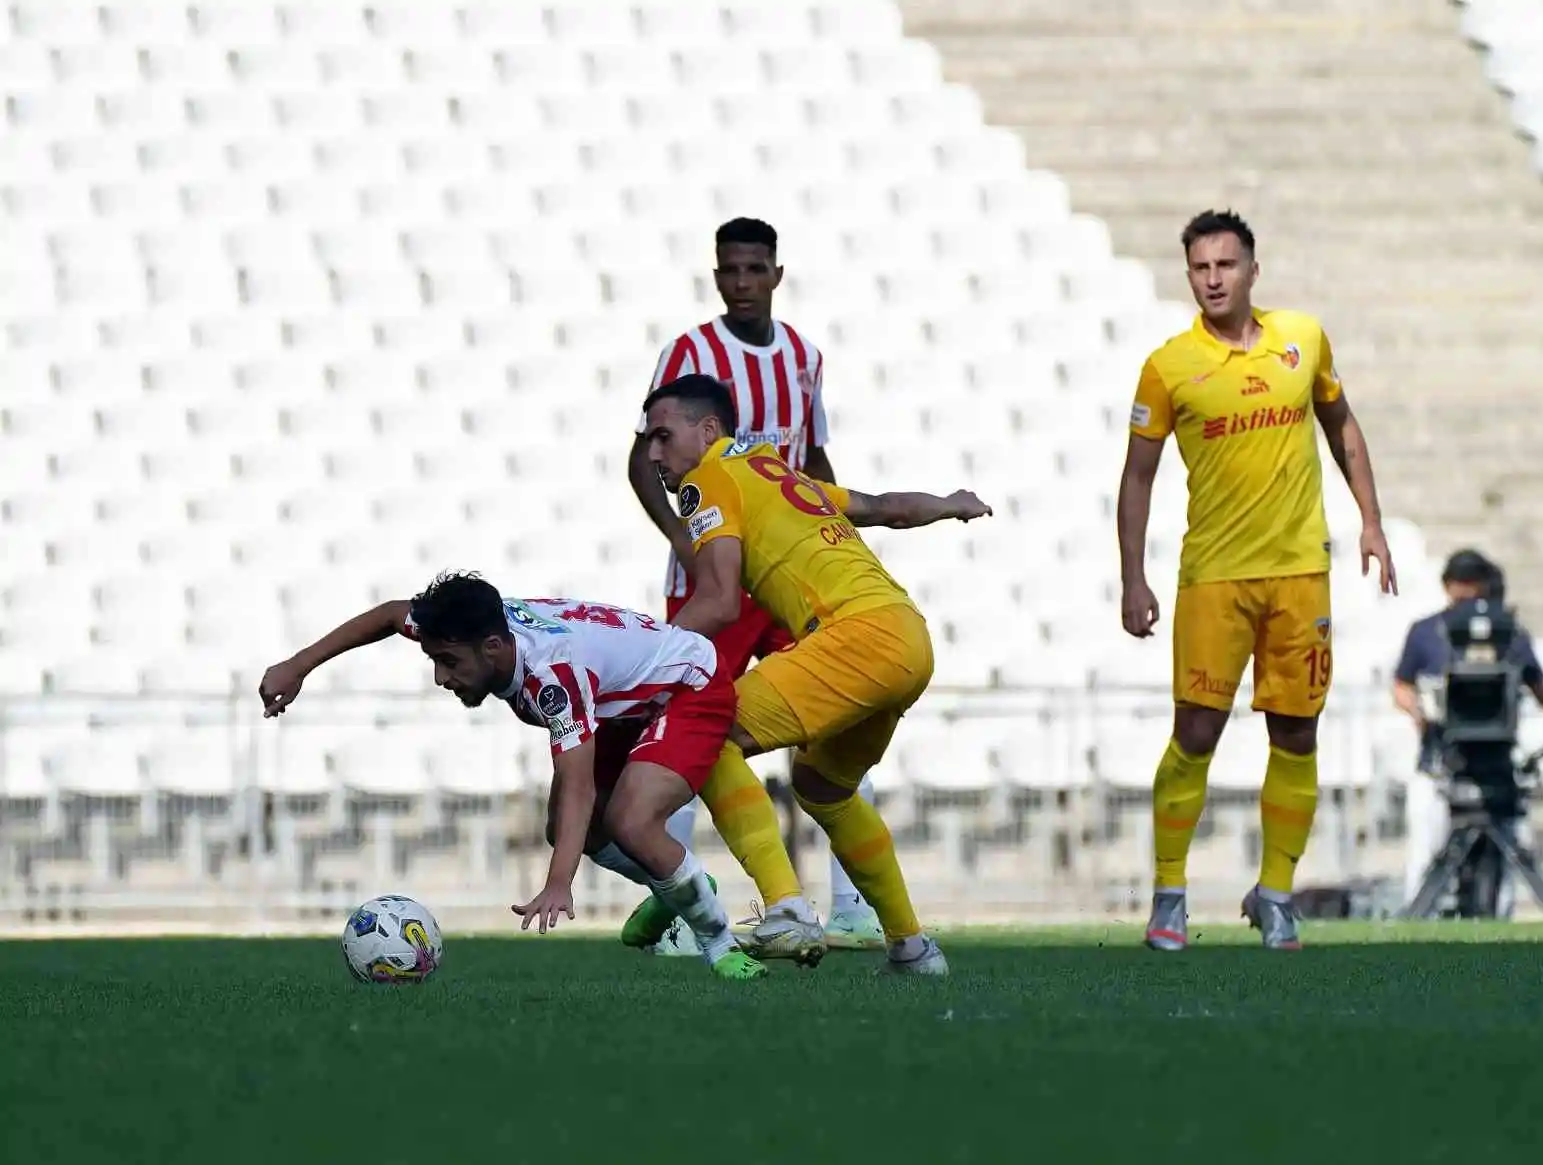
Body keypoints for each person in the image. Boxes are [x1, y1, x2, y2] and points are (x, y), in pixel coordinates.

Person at [256, 573, 832, 980]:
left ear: (492, 647)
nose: (439, 676)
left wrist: (560, 884)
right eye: (434, 658)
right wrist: (297, 665)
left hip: (691, 687)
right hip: (624, 700)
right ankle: (672, 887)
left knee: (630, 820)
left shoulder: (551, 676)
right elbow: (389, 614)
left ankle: (721, 947)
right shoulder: (478, 631)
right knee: (567, 831)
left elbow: (579, 783)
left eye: (449, 663)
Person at [641, 373, 992, 975]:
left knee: (710, 732)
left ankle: (786, 907)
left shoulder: (707, 480)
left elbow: (722, 600)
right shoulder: (778, 474)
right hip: (907, 636)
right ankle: (912, 947)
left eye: (663, 436)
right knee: (823, 786)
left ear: (708, 431)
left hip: (855, 636)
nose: (653, 455)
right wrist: (948, 504)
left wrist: (642, 657)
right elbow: (885, 510)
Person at [1116, 208, 1398, 951]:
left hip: (1301, 571)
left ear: (1252, 271)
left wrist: (1371, 521)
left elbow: (1342, 425)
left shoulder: (1302, 339)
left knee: (1296, 733)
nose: (1213, 279)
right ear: (1189, 276)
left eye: (1225, 265)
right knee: (1196, 732)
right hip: (1213, 578)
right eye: (1200, 268)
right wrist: (1132, 578)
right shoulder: (1170, 366)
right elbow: (1137, 479)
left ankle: (1275, 893)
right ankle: (1170, 894)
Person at [626, 216, 882, 954]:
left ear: (776, 273)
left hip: (789, 574)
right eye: (729, 271)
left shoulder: (803, 356)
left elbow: (816, 460)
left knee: (837, 719)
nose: (741, 283)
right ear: (716, 277)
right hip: (715, 579)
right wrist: (684, 540)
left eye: (754, 270)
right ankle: (680, 911)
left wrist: (841, 549)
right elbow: (644, 457)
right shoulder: (690, 353)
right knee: (684, 728)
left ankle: (855, 907)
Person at [1392, 549, 1543, 907]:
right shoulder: (1426, 632)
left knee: (1510, 854)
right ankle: (1418, 923)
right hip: (1441, 764)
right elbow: (1401, 684)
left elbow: (1540, 689)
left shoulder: (1511, 636)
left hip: (1497, 766)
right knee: (1425, 849)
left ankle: (1499, 920)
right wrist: (1420, 712)